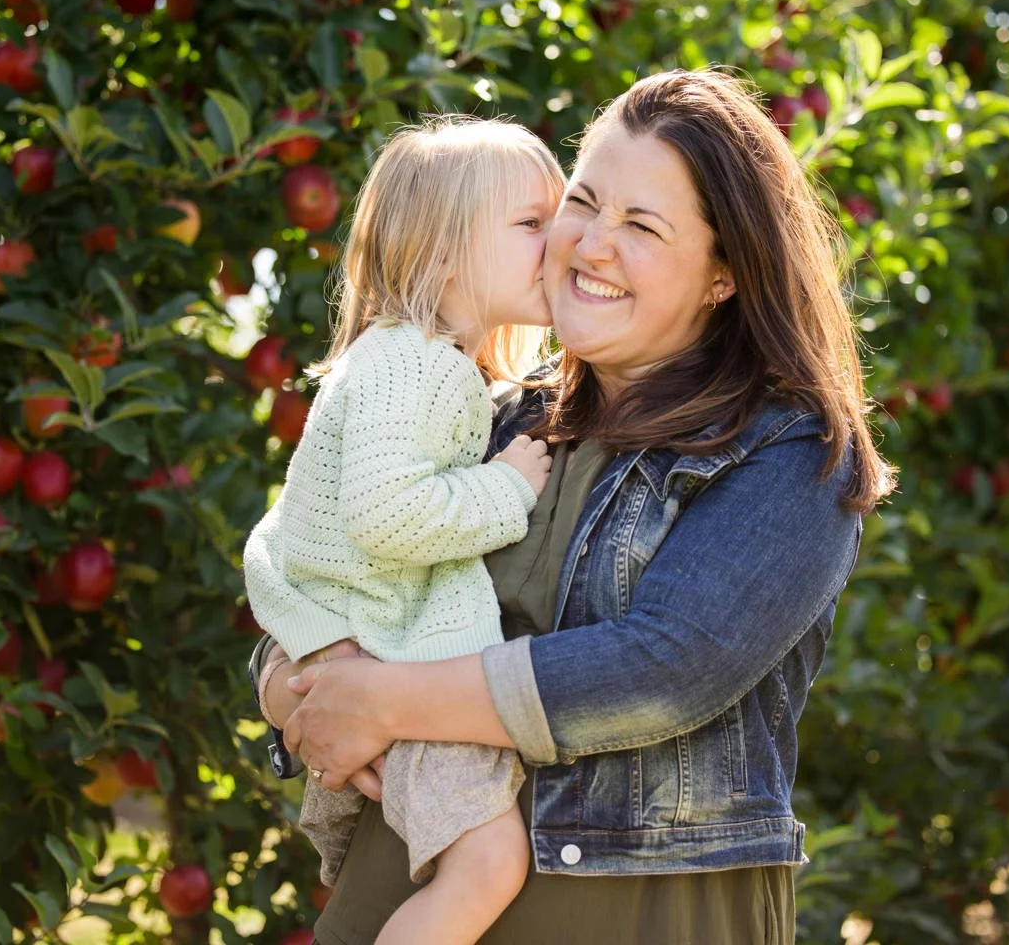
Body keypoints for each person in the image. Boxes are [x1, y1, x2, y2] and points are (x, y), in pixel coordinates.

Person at [250, 67, 895, 945]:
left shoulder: (789, 451)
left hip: (640, 916)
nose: (591, 245)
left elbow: (665, 668)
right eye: (583, 203)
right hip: (404, 901)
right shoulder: (491, 411)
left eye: (642, 226)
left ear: (723, 275)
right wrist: (294, 689)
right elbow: (328, 564)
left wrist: (386, 702)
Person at [243, 116, 567, 944]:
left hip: (373, 662)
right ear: (442, 252)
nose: (558, 238)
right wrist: (504, 488)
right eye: (530, 222)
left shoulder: (400, 360)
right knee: (490, 865)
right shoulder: (419, 366)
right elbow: (387, 516)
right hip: (397, 662)